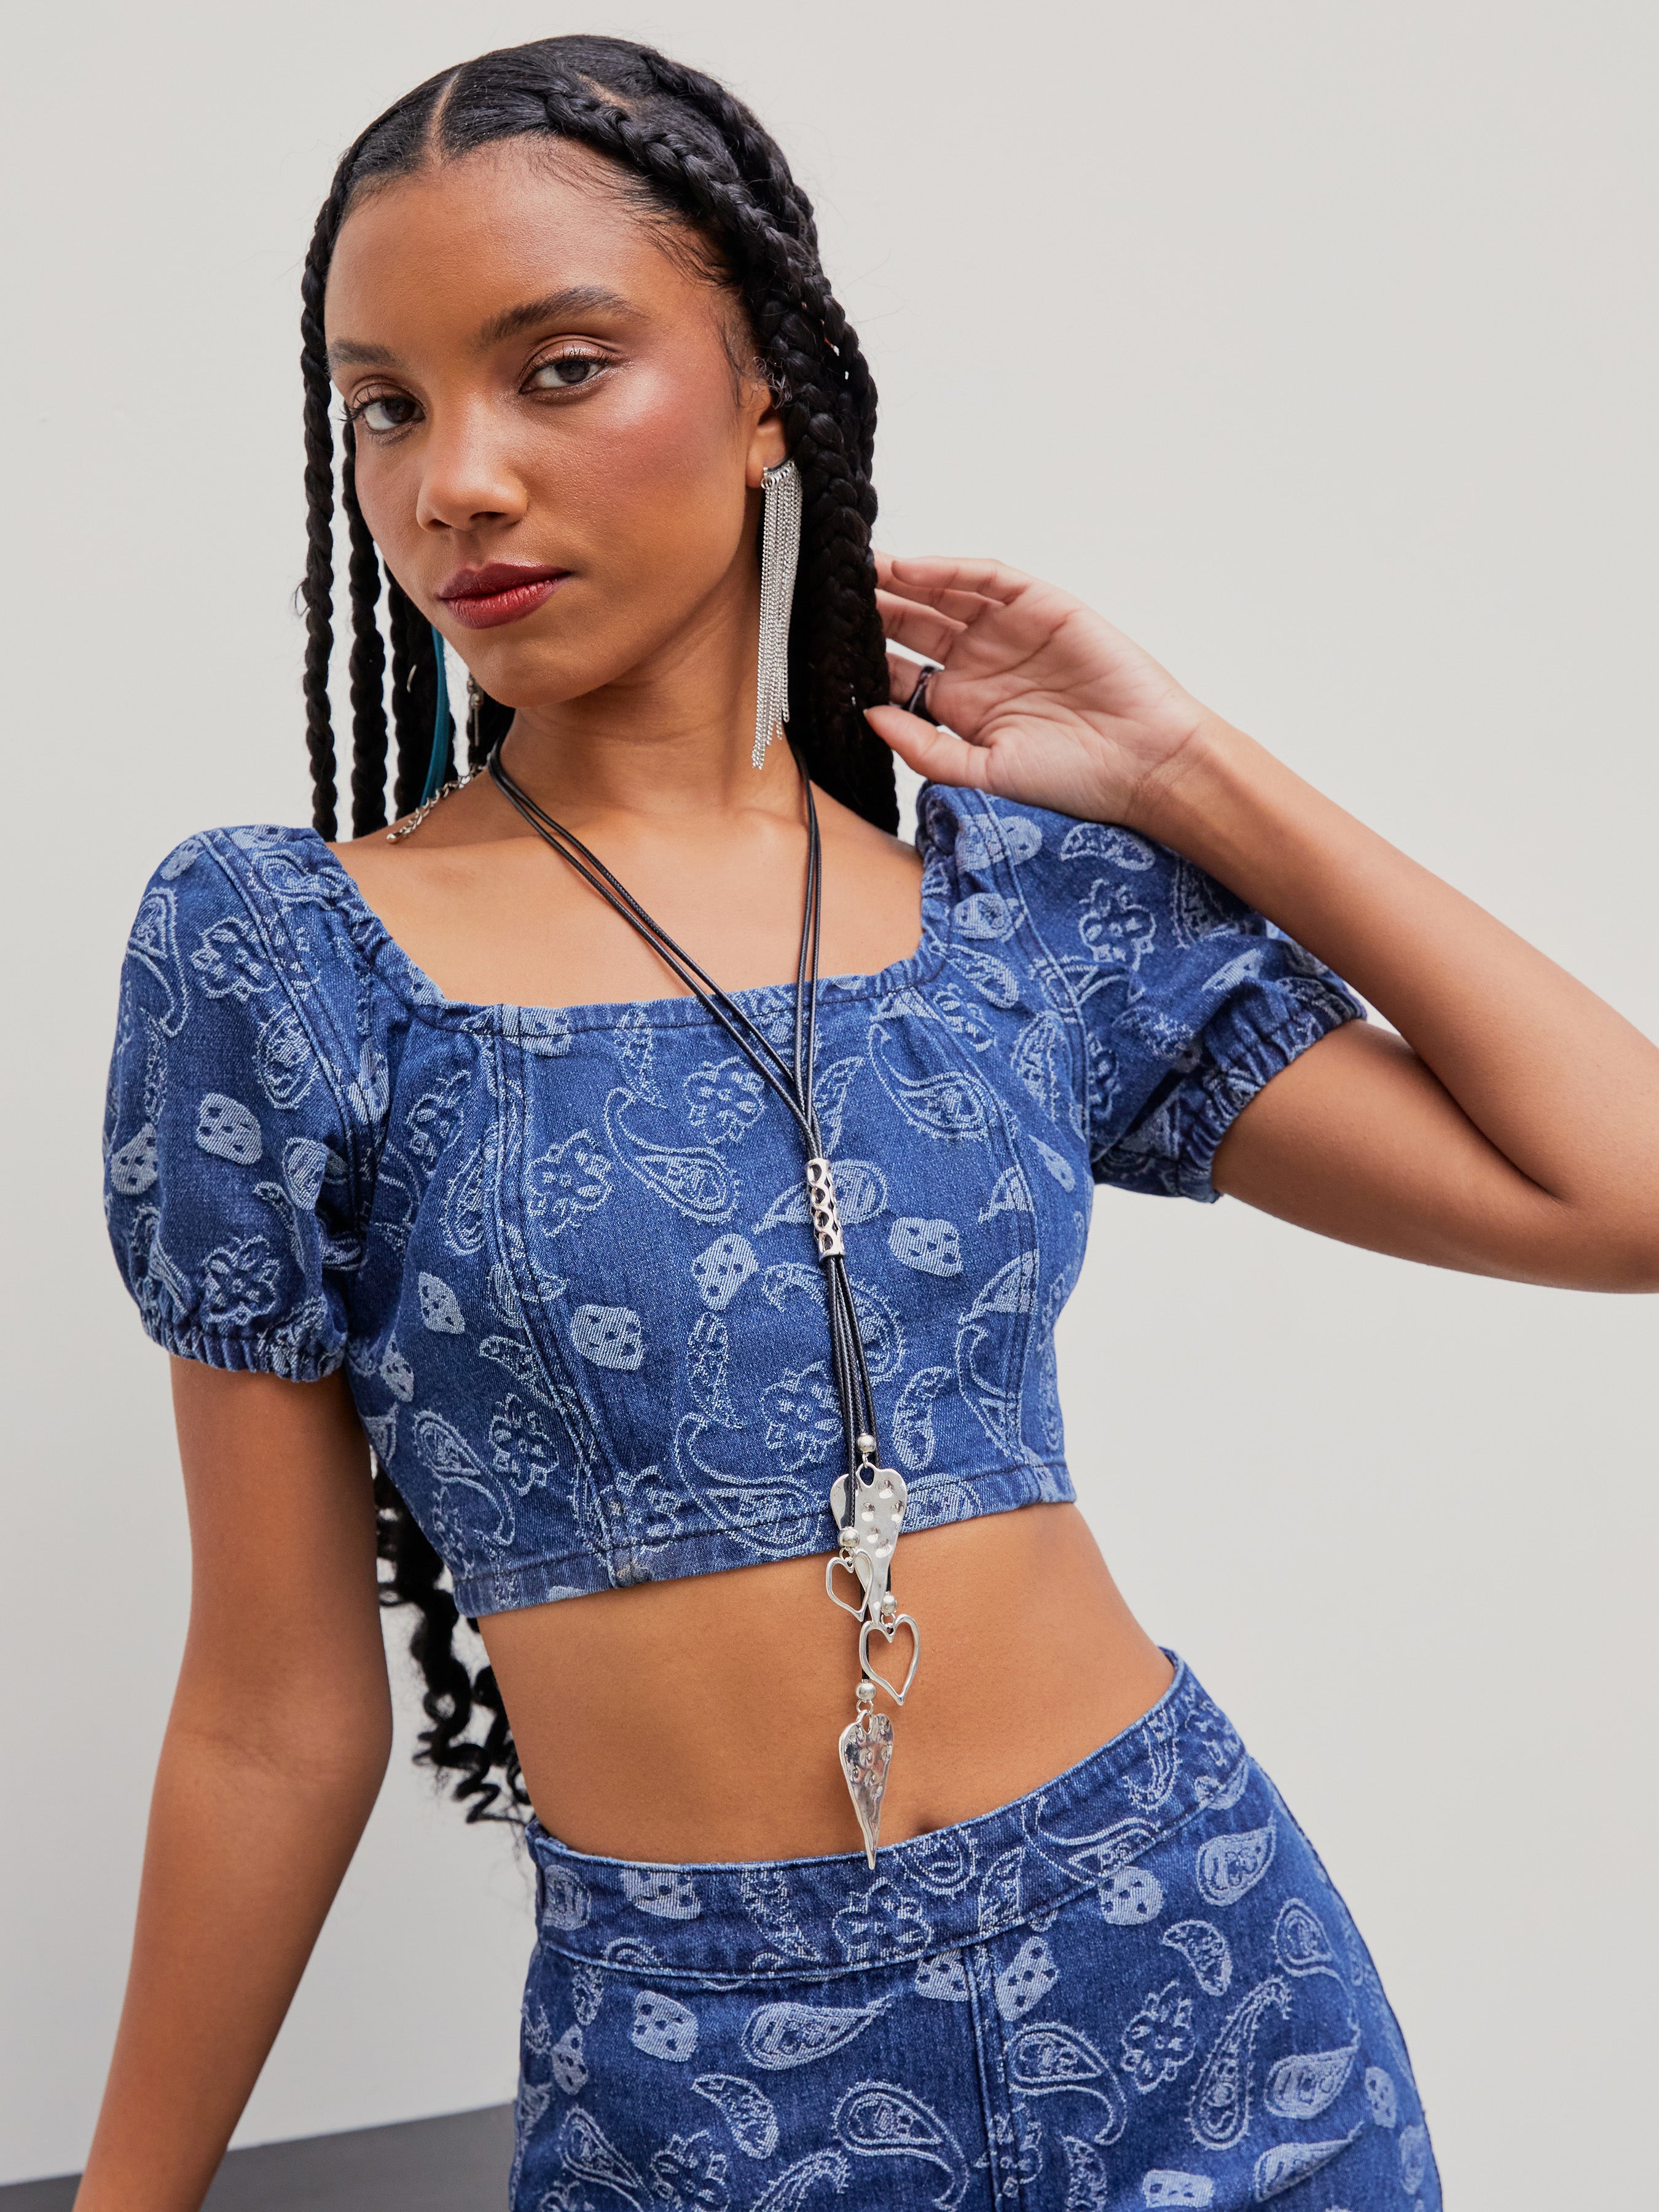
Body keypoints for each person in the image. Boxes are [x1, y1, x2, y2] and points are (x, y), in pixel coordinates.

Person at [82, 34, 1657, 2212]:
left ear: (765, 394)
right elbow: (274, 1712)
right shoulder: (284, 959)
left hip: (1202, 1987)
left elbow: (1619, 1192)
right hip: (701, 2074)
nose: (455, 480)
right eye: (385, 407)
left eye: (557, 369)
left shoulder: (1011, 913)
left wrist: (1185, 770)